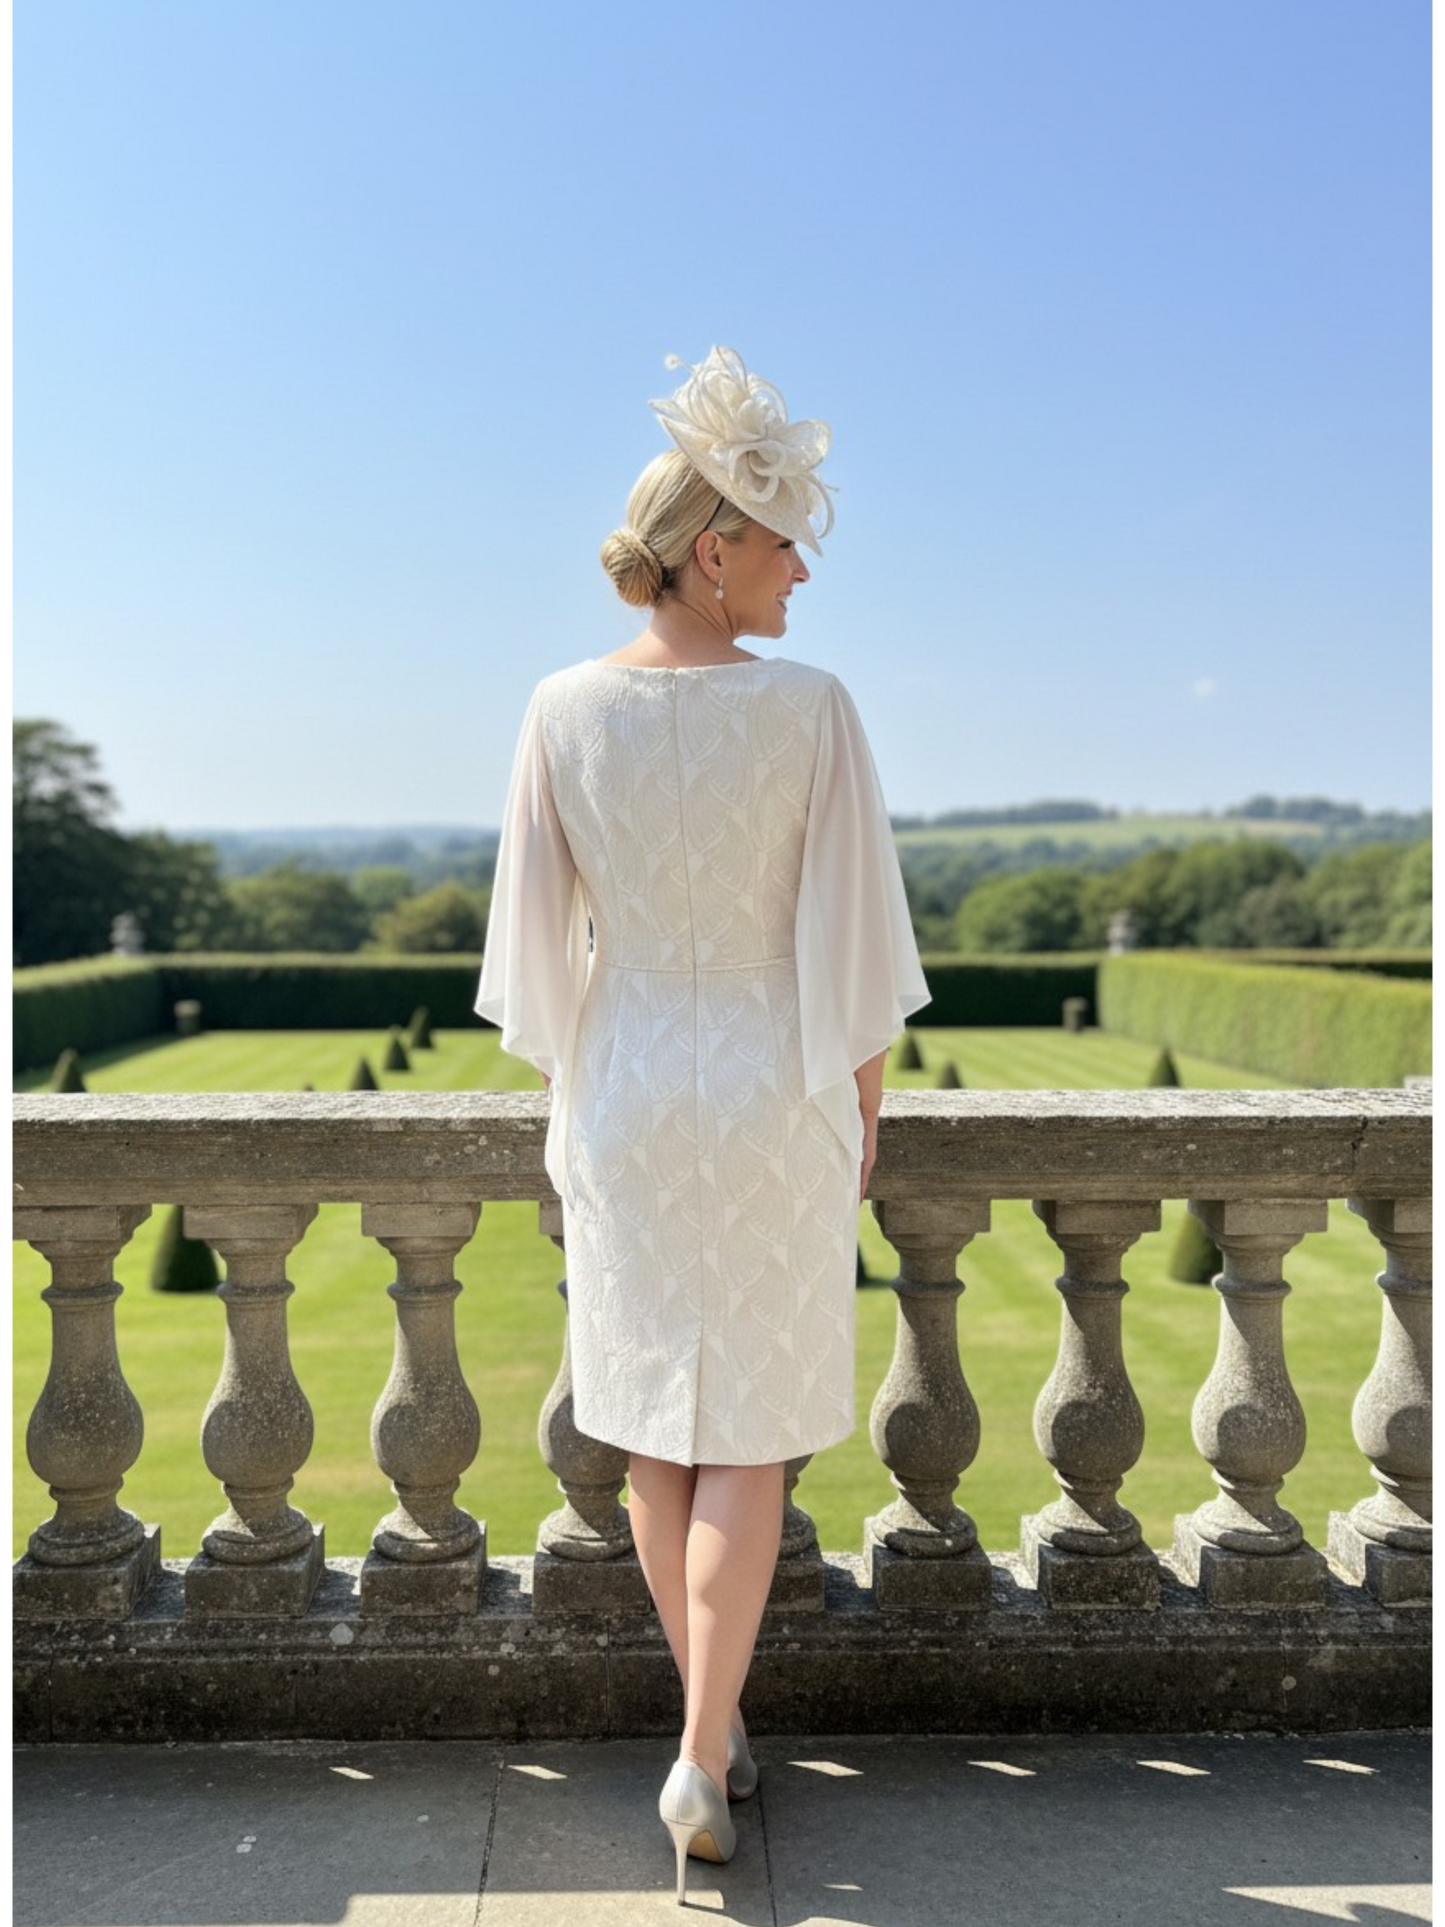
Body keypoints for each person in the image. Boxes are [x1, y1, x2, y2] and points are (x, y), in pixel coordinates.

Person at [476, 345, 927, 1904]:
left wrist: (581, 1098)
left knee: (661, 1426)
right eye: (786, 535)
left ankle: (708, 1733)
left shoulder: (555, 707)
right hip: (770, 1078)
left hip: (621, 1089)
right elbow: (860, 953)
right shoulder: (813, 709)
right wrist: (861, 1123)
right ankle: (701, 1737)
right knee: (749, 1439)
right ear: (712, 546)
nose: (805, 563)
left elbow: (533, 962)